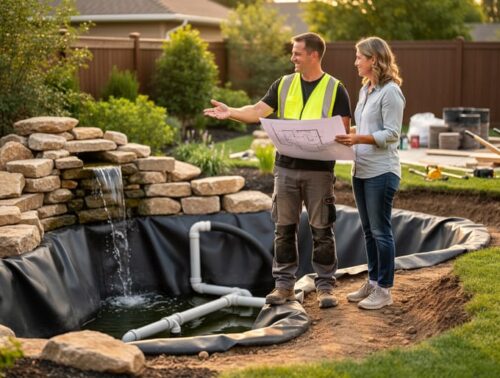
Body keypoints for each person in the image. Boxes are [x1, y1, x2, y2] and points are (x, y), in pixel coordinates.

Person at [204, 32, 351, 309]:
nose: (292, 58)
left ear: (313, 55)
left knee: (322, 229)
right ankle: (283, 286)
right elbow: (256, 110)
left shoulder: (335, 88)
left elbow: (343, 130)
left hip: (319, 172)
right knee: (283, 229)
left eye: (297, 53)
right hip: (285, 169)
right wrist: (230, 111)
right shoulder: (283, 84)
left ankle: (325, 288)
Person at [335, 36, 405, 310]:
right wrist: (344, 134)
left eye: (359, 57)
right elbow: (363, 127)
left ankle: (384, 290)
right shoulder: (366, 89)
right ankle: (373, 280)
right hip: (360, 170)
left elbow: (392, 134)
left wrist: (358, 139)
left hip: (381, 171)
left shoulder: (391, 92)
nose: (355, 62)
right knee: (367, 231)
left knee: (380, 231)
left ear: (373, 59)